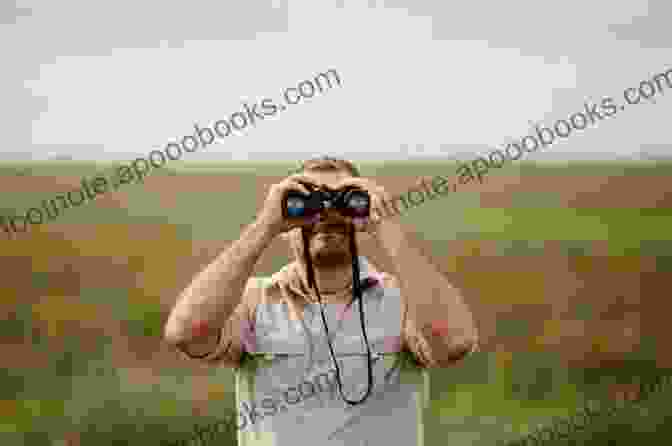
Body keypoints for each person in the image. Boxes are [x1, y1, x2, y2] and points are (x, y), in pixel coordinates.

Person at [164, 156, 479, 446]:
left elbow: (454, 343)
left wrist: (386, 225)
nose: (328, 215)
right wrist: (264, 226)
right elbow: (186, 333)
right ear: (287, 226)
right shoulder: (254, 301)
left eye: (344, 200)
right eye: (309, 200)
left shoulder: (403, 300)